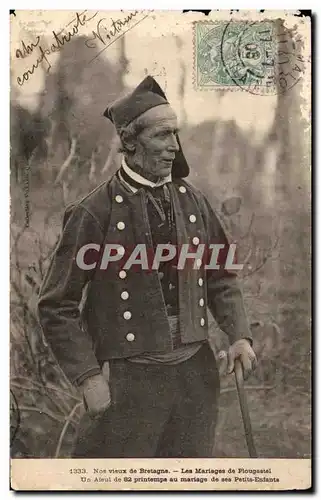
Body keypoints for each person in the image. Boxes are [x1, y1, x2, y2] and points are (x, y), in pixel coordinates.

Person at [37, 76, 257, 458]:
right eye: (161, 136)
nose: (174, 146)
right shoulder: (95, 211)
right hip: (127, 383)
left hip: (194, 379)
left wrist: (239, 335)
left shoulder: (194, 202)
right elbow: (56, 305)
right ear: (131, 141)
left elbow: (220, 276)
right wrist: (89, 377)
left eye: (176, 134)